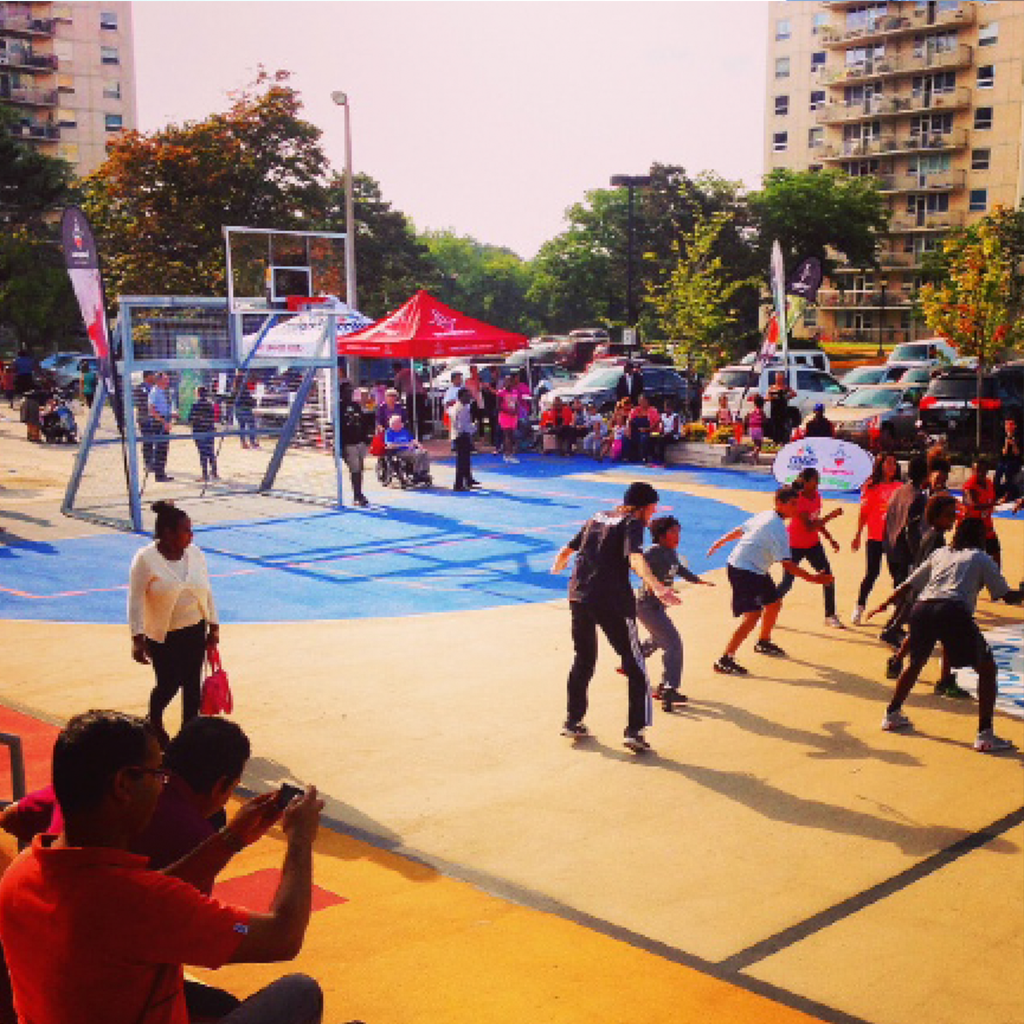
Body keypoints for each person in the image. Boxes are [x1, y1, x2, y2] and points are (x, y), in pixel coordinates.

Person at [0, 710, 326, 1024]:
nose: (163, 787)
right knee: (300, 992)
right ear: (123, 785)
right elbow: (283, 936)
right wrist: (300, 840)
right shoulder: (144, 904)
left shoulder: (21, 873)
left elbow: (134, 904)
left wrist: (230, 838)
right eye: (158, 774)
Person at [868, 517, 1023, 752]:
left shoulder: (941, 553)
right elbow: (1006, 596)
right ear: (980, 537)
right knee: (987, 668)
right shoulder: (980, 558)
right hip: (952, 610)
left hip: (922, 608)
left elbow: (910, 584)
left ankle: (892, 714)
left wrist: (885, 603)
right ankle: (985, 734)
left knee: (916, 663)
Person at [551, 482, 679, 752]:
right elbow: (634, 558)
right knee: (635, 667)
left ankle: (573, 720)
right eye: (652, 507)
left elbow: (568, 549)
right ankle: (635, 730)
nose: (653, 513)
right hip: (612, 602)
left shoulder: (597, 517)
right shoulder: (632, 523)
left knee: (583, 660)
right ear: (642, 507)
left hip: (579, 597)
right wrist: (657, 586)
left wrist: (559, 563)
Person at [707, 486, 834, 675]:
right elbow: (788, 565)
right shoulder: (778, 529)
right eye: (792, 504)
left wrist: (720, 542)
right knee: (752, 616)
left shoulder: (767, 516)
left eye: (797, 504)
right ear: (779, 504)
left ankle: (763, 642)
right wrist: (814, 578)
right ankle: (725, 659)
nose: (796, 508)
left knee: (773, 604)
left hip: (754, 568)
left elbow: (741, 530)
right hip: (743, 570)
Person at [129, 501, 219, 746]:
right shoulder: (145, 559)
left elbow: (206, 590)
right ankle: (154, 720)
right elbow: (135, 599)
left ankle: (188, 736)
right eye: (186, 530)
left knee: (192, 685)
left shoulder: (196, 554)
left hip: (194, 629)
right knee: (169, 683)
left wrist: (213, 625)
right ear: (168, 533)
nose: (192, 535)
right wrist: (137, 639)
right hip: (163, 634)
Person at [881, 493, 965, 692]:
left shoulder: (931, 536)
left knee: (917, 634)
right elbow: (932, 570)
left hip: (921, 597)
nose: (952, 518)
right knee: (946, 638)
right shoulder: (936, 541)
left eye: (953, 514)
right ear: (936, 517)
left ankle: (895, 662)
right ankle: (945, 681)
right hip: (931, 598)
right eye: (948, 515)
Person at [634, 515, 714, 711]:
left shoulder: (671, 552)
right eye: (672, 532)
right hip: (647, 605)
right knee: (673, 644)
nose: (677, 535)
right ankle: (668, 688)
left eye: (679, 531)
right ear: (661, 535)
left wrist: (697, 580)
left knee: (660, 638)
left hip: (656, 606)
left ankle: (633, 660)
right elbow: (637, 566)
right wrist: (656, 587)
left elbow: (679, 569)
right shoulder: (654, 552)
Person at [776, 467, 845, 628]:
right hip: (794, 545)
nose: (818, 482)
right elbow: (809, 526)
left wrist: (830, 539)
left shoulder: (816, 496)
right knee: (787, 582)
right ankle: (766, 607)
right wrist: (832, 516)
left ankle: (830, 615)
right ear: (805, 482)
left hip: (813, 544)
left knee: (827, 576)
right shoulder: (797, 500)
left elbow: (816, 520)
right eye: (815, 479)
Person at [850, 453, 902, 624]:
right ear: (880, 465)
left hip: (894, 538)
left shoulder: (900, 487)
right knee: (872, 573)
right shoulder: (872, 487)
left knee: (898, 575)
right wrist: (857, 534)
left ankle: (900, 609)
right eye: (888, 463)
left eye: (894, 464)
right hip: (875, 537)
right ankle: (859, 607)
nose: (892, 467)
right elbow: (864, 513)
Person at [961, 457, 1001, 566]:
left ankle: (996, 580)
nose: (980, 473)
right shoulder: (969, 487)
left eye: (983, 470)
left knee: (996, 555)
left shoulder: (989, 483)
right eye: (977, 470)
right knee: (973, 561)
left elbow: (991, 499)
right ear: (972, 470)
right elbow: (973, 505)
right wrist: (992, 505)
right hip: (972, 529)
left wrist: (999, 501)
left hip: (987, 527)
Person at [339, 381, 371, 507]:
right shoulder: (339, 407)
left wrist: (365, 439)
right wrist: (340, 447)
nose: (349, 393)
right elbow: (339, 427)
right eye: (347, 391)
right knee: (355, 469)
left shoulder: (355, 406)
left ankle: (359, 493)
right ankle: (357, 495)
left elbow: (363, 422)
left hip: (359, 442)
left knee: (360, 469)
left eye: (350, 391)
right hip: (349, 443)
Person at [186, 385, 218, 482]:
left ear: (198, 393)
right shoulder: (210, 404)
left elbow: (190, 418)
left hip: (199, 430)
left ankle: (205, 475)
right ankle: (214, 472)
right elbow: (213, 417)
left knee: (202, 453)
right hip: (209, 430)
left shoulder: (195, 405)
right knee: (210, 451)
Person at [384, 413, 430, 478]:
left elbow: (412, 439)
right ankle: (416, 472)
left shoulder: (404, 431)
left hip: (410, 450)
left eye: (400, 422)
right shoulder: (389, 432)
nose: (401, 423)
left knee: (424, 452)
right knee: (418, 454)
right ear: (394, 424)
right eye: (399, 422)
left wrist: (419, 445)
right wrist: (405, 444)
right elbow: (390, 445)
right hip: (399, 451)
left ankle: (424, 471)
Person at [451, 387, 479, 491]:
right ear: (461, 397)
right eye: (467, 396)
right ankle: (458, 484)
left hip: (459, 435)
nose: (469, 398)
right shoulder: (462, 409)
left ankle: (468, 479)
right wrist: (474, 427)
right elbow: (463, 426)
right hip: (462, 436)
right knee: (462, 461)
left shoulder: (457, 407)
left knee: (465, 460)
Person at [148, 373, 175, 481]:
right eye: (165, 379)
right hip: (158, 422)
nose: (167, 381)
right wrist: (164, 422)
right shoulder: (154, 392)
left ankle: (162, 473)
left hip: (164, 420)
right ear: (159, 381)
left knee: (164, 449)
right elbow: (152, 410)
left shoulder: (163, 392)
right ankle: (159, 475)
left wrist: (171, 415)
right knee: (160, 449)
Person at [496, 372, 524, 463]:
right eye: (507, 381)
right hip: (505, 416)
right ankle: (508, 454)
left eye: (510, 381)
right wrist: (507, 411)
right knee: (507, 434)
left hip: (513, 416)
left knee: (512, 435)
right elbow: (498, 406)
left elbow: (516, 403)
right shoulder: (501, 393)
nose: (509, 383)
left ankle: (509, 452)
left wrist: (516, 411)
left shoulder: (515, 392)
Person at [133, 369, 157, 472]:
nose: (155, 377)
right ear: (148, 376)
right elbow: (141, 402)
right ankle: (147, 463)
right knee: (147, 441)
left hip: (154, 419)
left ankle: (154, 462)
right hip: (144, 418)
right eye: (153, 375)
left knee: (155, 441)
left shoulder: (155, 388)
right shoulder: (140, 388)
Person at [993, 417, 1022, 501]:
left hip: (1015, 461)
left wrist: (1013, 444)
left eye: (1010, 424)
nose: (1008, 426)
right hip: (1003, 460)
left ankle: (1008, 494)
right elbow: (1003, 452)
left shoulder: (1019, 437)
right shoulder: (1001, 436)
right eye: (1007, 424)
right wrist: (1006, 442)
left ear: (1015, 426)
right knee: (998, 473)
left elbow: (1017, 453)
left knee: (1009, 471)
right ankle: (996, 493)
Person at [766, 371, 796, 444]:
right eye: (777, 378)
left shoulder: (785, 387)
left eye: (780, 378)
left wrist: (787, 396)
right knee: (774, 425)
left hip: (783, 410)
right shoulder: (772, 387)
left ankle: (783, 441)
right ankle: (775, 441)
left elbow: (794, 394)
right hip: (774, 410)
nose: (778, 380)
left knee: (782, 425)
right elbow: (767, 397)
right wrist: (772, 397)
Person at [233, 380, 258, 450]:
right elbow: (249, 399)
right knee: (251, 425)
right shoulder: (244, 390)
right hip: (246, 410)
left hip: (238, 410)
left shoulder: (234, 391)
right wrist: (254, 402)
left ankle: (243, 442)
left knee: (241, 427)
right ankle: (252, 442)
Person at [745, 394, 767, 464]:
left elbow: (747, 418)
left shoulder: (752, 411)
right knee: (759, 445)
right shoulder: (761, 412)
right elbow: (764, 420)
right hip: (758, 428)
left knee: (755, 444)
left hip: (751, 428)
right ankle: (754, 454)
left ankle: (756, 459)